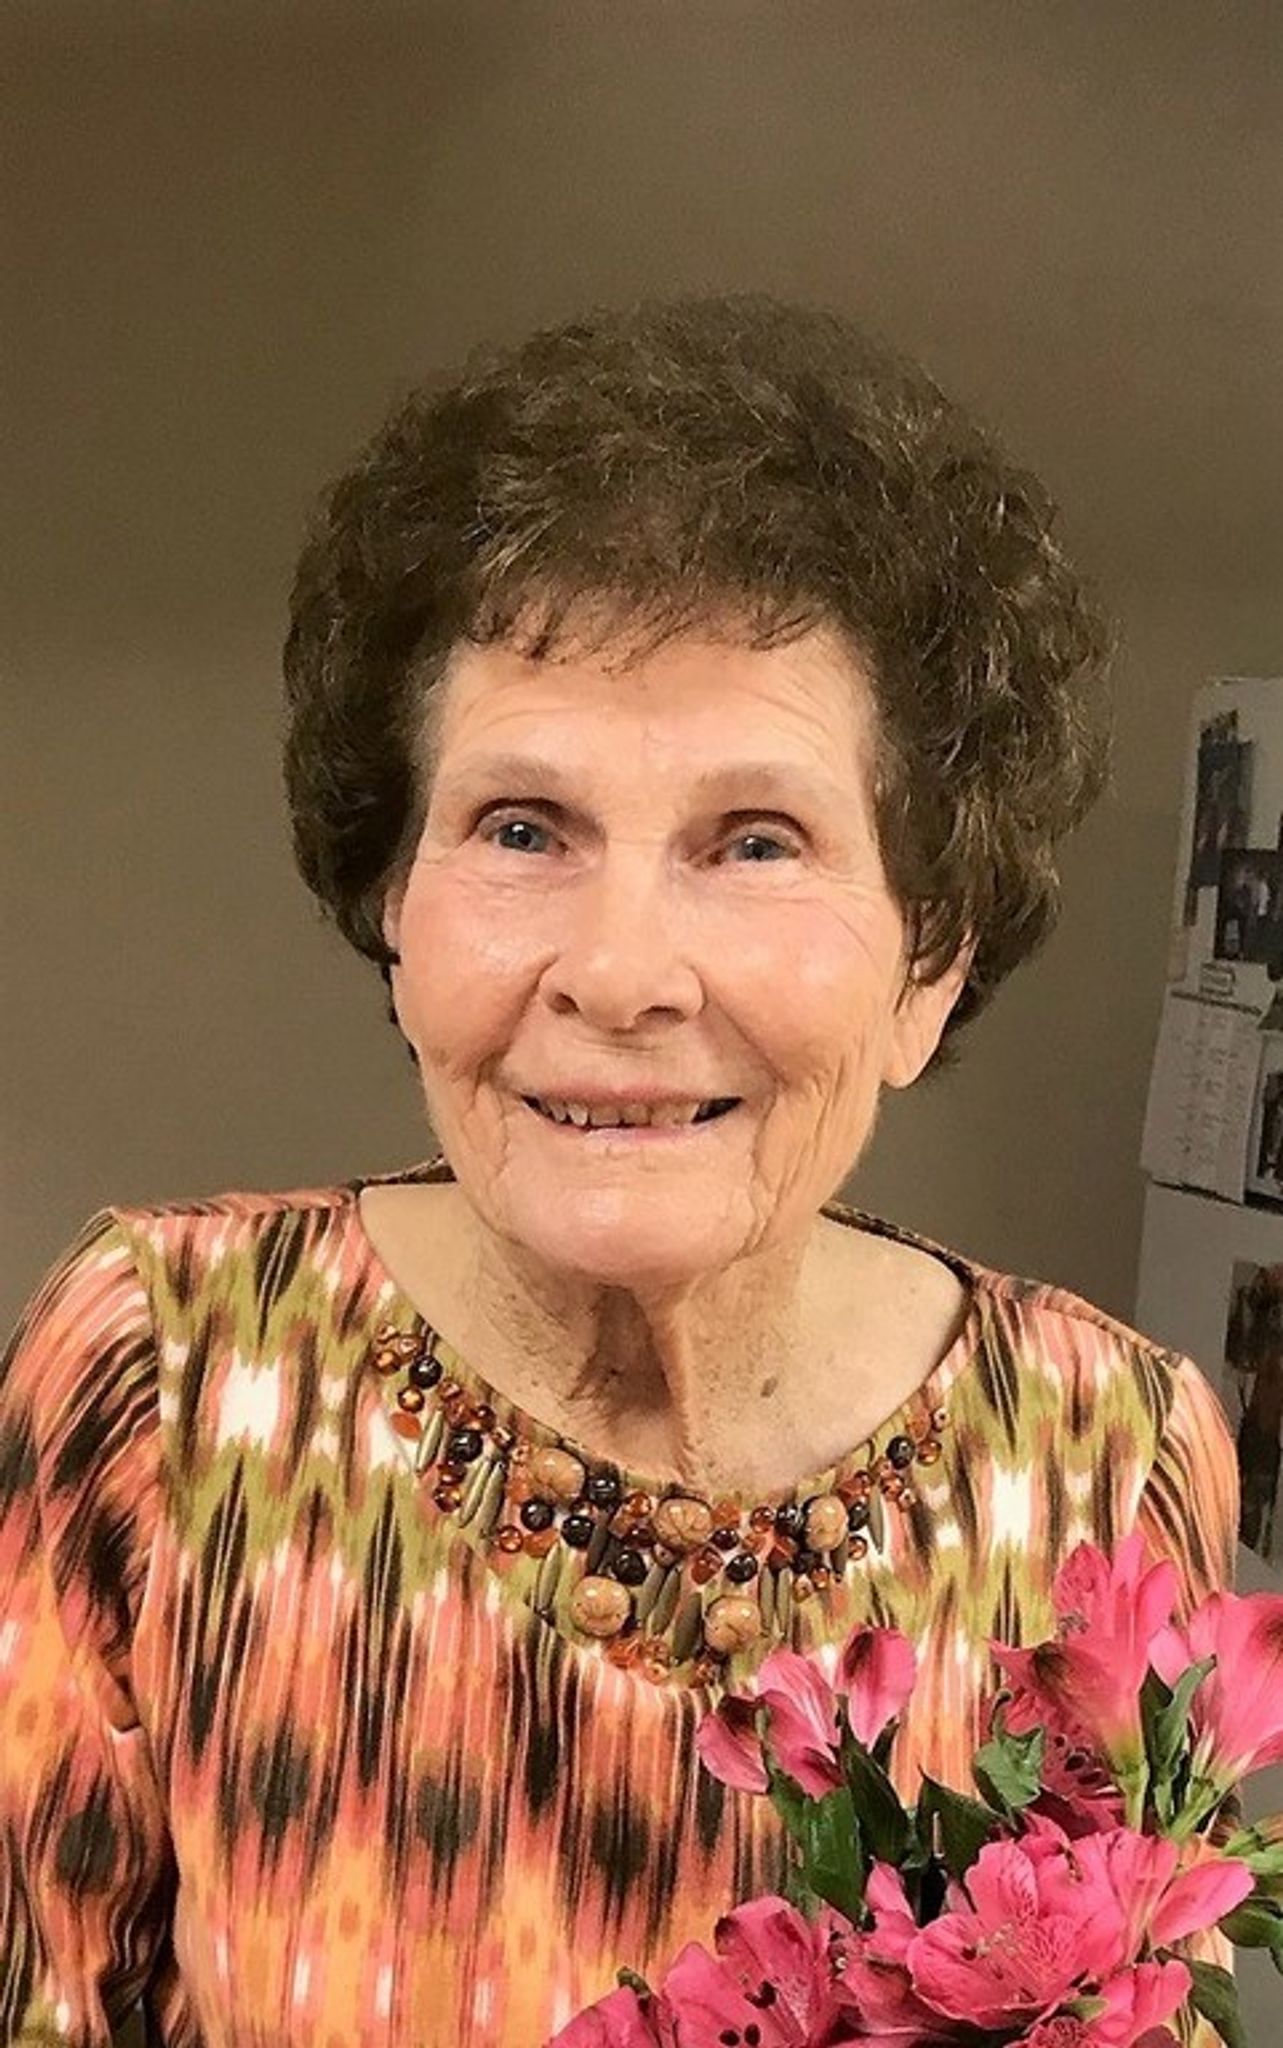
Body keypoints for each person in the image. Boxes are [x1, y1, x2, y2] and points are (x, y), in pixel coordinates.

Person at [0, 294, 1237, 2048]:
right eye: (522, 828)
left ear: (930, 963)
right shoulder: (167, 1376)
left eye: (757, 842)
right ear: (396, 910)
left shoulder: (1112, 1455)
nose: (621, 972)